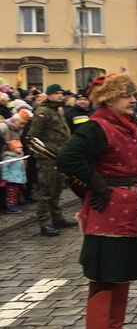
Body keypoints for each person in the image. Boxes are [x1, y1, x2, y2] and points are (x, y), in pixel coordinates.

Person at [55, 73, 137, 329]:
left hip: (129, 212)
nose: (133, 99)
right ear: (109, 98)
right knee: (104, 278)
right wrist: (97, 185)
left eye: (133, 94)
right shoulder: (98, 126)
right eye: (127, 94)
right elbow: (68, 157)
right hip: (106, 215)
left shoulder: (124, 125)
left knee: (120, 274)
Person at [27, 84, 78, 237]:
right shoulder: (43, 112)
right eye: (56, 93)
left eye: (61, 93)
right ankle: (45, 223)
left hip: (59, 156)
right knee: (46, 190)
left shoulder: (57, 111)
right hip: (47, 157)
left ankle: (57, 217)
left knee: (57, 189)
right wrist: (43, 152)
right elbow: (34, 135)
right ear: (48, 95)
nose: (60, 96)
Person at [2, 140, 27, 214]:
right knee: (10, 193)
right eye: (18, 147)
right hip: (10, 179)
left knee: (15, 193)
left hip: (18, 179)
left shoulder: (20, 158)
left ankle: (14, 204)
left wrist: (23, 179)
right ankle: (10, 206)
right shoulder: (8, 158)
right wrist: (4, 178)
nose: (20, 149)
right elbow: (4, 167)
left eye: (21, 147)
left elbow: (22, 170)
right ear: (12, 149)